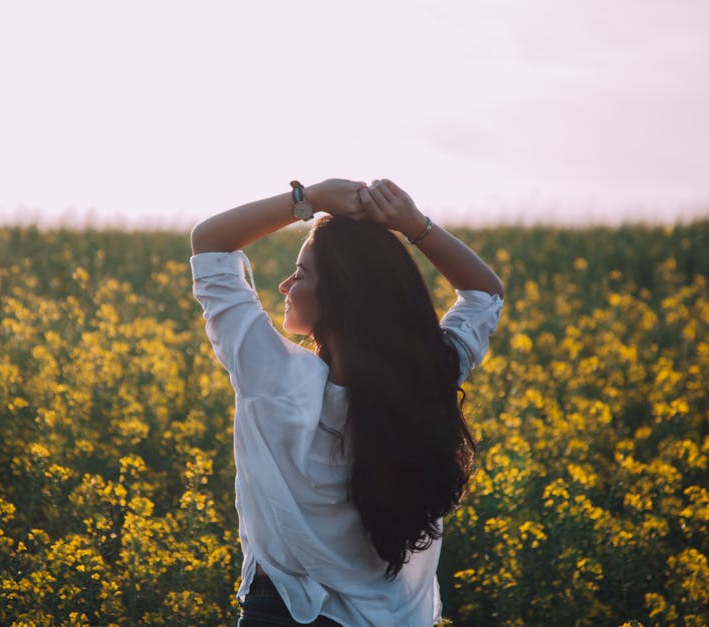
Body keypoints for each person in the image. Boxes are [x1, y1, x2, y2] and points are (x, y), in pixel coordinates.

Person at [189, 178, 504, 626]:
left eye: (300, 274)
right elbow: (485, 293)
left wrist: (309, 199)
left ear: (338, 295)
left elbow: (210, 242)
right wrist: (414, 225)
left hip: (284, 612)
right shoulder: (428, 376)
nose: (283, 285)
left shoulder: (272, 377)